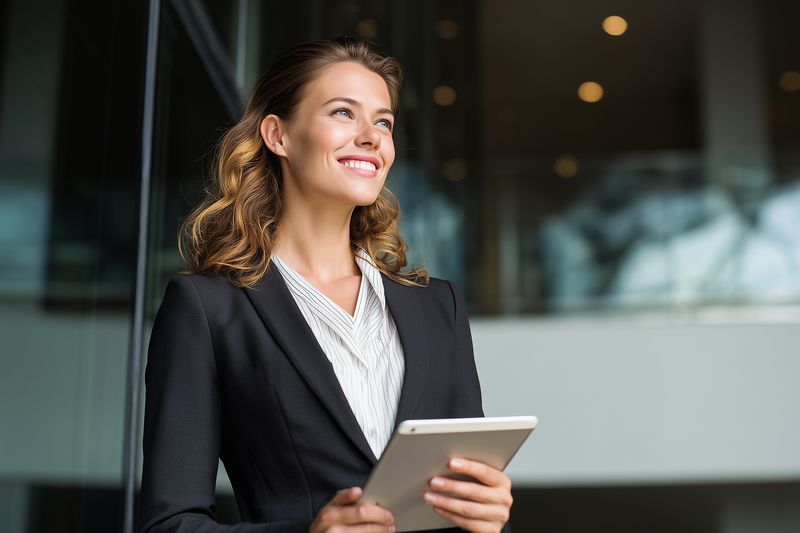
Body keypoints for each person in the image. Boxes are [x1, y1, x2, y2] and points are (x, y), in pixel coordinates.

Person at [139, 37, 514, 533]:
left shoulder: (437, 307)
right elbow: (168, 524)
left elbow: (464, 498)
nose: (371, 137)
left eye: (383, 121)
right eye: (343, 113)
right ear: (278, 135)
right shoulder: (207, 309)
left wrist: (489, 517)